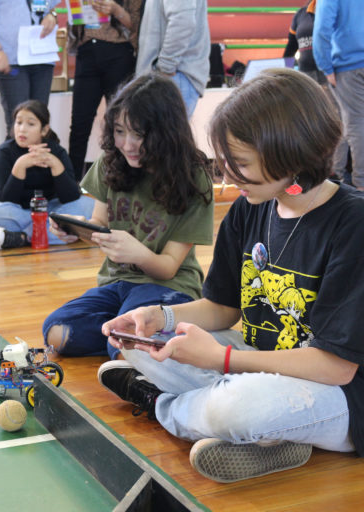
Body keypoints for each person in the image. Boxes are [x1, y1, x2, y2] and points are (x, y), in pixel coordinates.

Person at [99, 69, 364, 483]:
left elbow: (336, 368)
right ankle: (265, 439)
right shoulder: (251, 205)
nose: (226, 177)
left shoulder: (353, 223)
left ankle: (160, 404)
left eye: (239, 164)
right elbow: (223, 307)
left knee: (235, 408)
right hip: (259, 365)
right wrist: (158, 318)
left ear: (292, 156)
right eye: (224, 162)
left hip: (339, 396)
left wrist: (222, 360)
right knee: (143, 345)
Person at [43, 74, 213, 357]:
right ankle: (141, 340)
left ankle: (142, 338)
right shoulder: (111, 162)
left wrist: (137, 253)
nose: (127, 144)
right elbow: (99, 224)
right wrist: (77, 230)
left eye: (139, 134)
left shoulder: (193, 178)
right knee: (57, 332)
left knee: (129, 342)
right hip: (116, 284)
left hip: (167, 288)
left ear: (165, 133)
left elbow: (169, 267)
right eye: (120, 131)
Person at [0, 99, 94, 250]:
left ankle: (22, 237)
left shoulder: (56, 151)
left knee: (89, 205)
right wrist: (20, 166)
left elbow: (71, 197)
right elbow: (6, 199)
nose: (22, 129)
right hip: (22, 211)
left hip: (52, 210)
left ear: (44, 130)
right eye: (18, 122)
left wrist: (55, 165)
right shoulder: (3, 153)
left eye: (30, 124)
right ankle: (58, 235)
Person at [67, 0, 143, 178]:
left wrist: (116, 10)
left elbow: (138, 25)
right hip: (86, 52)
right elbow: (74, 20)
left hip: (119, 53)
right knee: (79, 123)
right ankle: (71, 183)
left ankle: (122, 177)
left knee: (121, 120)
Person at [284, 0, 349, 182]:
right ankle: (310, 168)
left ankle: (337, 172)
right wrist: (283, 69)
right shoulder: (300, 14)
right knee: (309, 123)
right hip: (306, 76)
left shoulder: (334, 8)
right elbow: (291, 47)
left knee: (337, 123)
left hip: (331, 75)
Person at [0, 0, 60, 132]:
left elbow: (50, 8)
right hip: (12, 60)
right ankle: (16, 153)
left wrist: (52, 15)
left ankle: (36, 153)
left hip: (42, 56)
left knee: (40, 121)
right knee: (17, 124)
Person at [313, 0, 364, 190]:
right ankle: (336, 174)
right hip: (351, 64)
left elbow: (322, 29)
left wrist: (325, 67)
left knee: (355, 123)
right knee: (347, 122)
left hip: (349, 64)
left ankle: (359, 185)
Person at [135, 0, 210, 118]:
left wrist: (165, 67)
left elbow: (182, 22)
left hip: (172, 77)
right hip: (171, 75)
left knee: (162, 135)